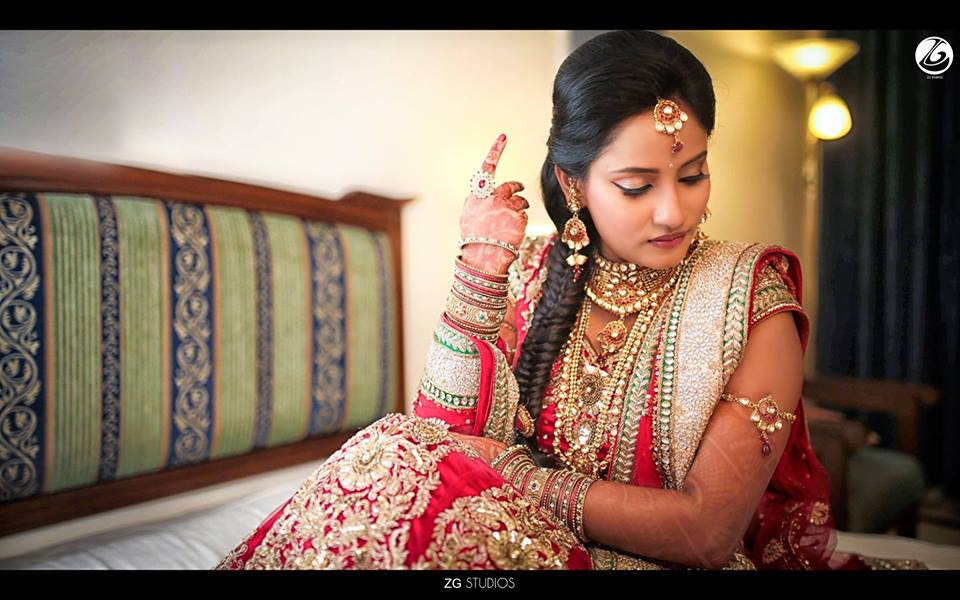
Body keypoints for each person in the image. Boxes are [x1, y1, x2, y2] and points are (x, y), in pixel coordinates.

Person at [215, 30, 925, 570]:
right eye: (638, 184)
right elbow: (442, 441)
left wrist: (514, 473)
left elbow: (706, 535)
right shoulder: (532, 273)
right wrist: (480, 271)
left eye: (694, 174)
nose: (674, 212)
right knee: (393, 451)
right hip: (536, 546)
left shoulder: (751, 300)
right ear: (576, 183)